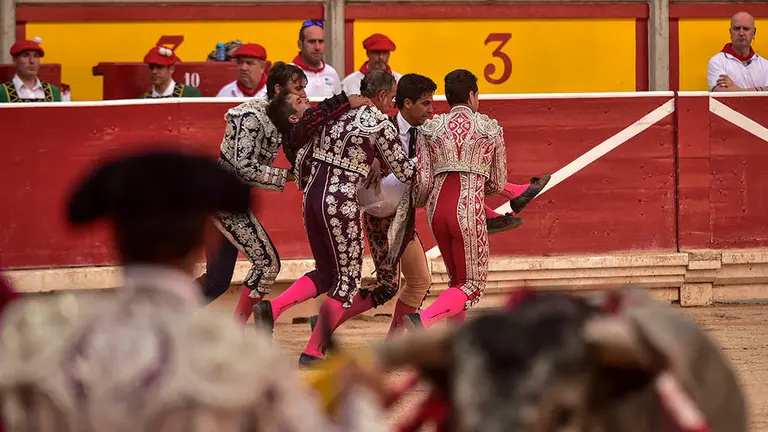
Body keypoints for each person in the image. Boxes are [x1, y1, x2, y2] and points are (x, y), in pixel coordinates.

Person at [0, 150, 390, 430]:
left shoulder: (36, 336)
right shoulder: (241, 356)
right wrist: (358, 401)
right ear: (207, 237)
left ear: (115, 240)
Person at [258, 69, 415, 367]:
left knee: (326, 272)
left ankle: (274, 307)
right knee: (348, 280)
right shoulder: (377, 121)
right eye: (391, 99)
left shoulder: (332, 115)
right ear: (381, 96)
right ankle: (314, 352)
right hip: (340, 203)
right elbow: (405, 171)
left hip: (311, 199)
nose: (391, 106)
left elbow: (302, 143)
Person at [197, 62, 368, 325]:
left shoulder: (282, 118)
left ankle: (165, 315)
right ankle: (237, 329)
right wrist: (289, 176)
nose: (303, 95)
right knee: (267, 263)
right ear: (278, 89)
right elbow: (241, 169)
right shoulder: (249, 116)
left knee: (217, 281)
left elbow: (305, 134)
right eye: (297, 89)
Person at [404, 69, 507, 329]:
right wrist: (473, 189)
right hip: (468, 210)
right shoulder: (490, 129)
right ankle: (424, 319)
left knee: (456, 283)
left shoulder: (431, 129)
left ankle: (454, 346)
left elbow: (425, 181)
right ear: (472, 96)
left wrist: (419, 202)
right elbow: (498, 182)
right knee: (471, 287)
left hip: (437, 211)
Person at [708, 11, 768, 92]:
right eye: (737, 28)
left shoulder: (765, 65)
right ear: (730, 32)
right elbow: (720, 93)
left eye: (746, 29)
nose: (741, 33)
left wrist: (735, 89)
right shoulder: (717, 62)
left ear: (753, 32)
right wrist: (760, 90)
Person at [290, 20, 343, 98]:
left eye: (321, 41)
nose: (317, 47)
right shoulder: (288, 73)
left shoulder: (332, 73)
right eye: (312, 42)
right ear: (300, 44)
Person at [0, 37, 62, 103]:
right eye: (25, 55)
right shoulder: (2, 92)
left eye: (36, 56)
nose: (32, 61)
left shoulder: (53, 92)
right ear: (15, 60)